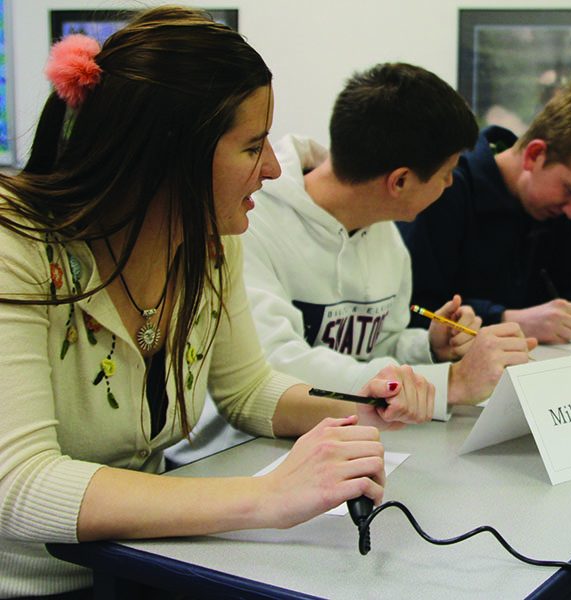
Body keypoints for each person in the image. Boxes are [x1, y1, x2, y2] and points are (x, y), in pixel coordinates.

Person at [0, 8, 430, 597]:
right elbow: (19, 486)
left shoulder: (209, 241)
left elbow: (248, 389)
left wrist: (359, 404)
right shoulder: (16, 249)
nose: (274, 169)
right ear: (165, 152)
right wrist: (267, 497)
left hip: (140, 566)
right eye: (252, 147)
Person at [167, 64, 535, 465]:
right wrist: (450, 383)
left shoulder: (385, 233)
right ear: (399, 182)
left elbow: (376, 344)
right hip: (231, 457)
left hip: (339, 445)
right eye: (447, 175)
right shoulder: (244, 221)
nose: (450, 186)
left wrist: (426, 345)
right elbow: (277, 367)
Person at [398, 84, 571, 345]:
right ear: (535, 154)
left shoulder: (556, 211)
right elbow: (413, 308)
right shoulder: (444, 190)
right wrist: (506, 319)